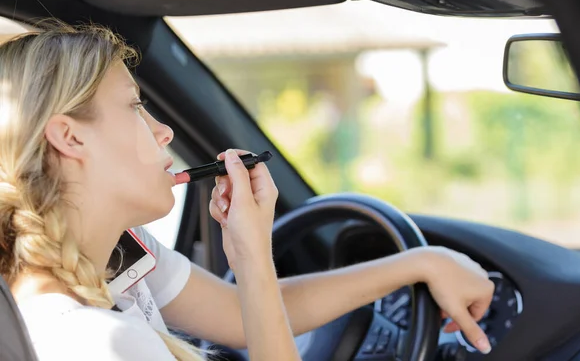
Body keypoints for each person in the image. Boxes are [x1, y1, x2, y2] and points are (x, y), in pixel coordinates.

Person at [0, 21, 494, 361]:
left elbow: (243, 316)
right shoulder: (93, 342)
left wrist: (420, 264)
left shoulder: (121, 254)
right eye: (134, 107)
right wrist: (252, 255)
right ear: (70, 137)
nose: (163, 131)